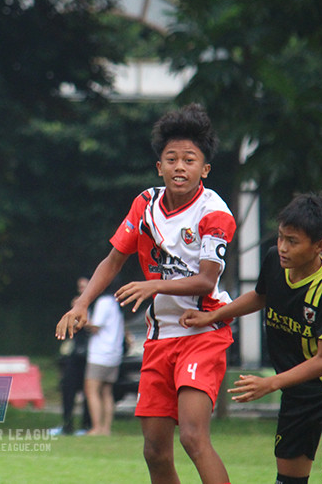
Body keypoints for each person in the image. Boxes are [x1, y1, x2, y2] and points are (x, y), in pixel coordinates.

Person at [56, 103, 236, 484]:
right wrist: (82, 303)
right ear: (159, 167)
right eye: (171, 159)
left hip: (202, 333)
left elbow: (206, 280)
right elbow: (113, 259)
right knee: (154, 450)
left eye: (190, 160)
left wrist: (154, 284)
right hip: (159, 339)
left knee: (192, 436)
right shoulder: (145, 204)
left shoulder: (214, 213)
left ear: (204, 170)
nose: (179, 167)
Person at [181, 193, 322, 484]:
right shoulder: (274, 261)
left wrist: (270, 383)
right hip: (296, 393)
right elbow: (260, 296)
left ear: (321, 246)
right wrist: (212, 316)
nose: (282, 247)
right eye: (281, 237)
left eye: (292, 241)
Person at [52, 277, 92, 436]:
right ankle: (67, 423)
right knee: (68, 388)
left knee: (88, 392)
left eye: (84, 286)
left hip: (90, 354)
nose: (81, 289)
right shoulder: (76, 303)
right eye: (80, 286)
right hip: (74, 353)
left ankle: (86, 424)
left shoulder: (95, 304)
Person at [83, 285, 125, 436]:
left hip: (100, 353)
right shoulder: (115, 302)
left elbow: (95, 326)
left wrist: (79, 314)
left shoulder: (104, 302)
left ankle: (96, 427)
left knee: (92, 390)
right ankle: (106, 428)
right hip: (114, 354)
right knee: (106, 391)